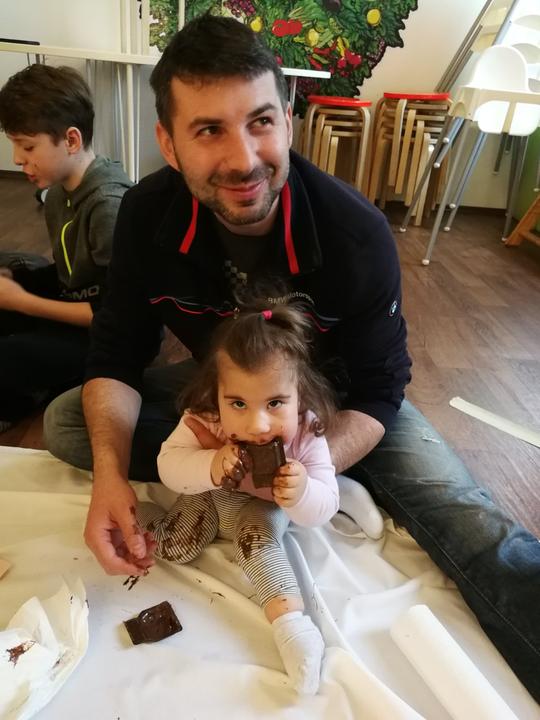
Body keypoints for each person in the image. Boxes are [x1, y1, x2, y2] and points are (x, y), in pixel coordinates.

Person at [43, 14, 540, 701]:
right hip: (226, 394)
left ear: (289, 120)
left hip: (340, 405)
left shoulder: (355, 233)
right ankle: (242, 487)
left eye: (261, 122)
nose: (244, 158)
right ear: (168, 144)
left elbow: (381, 388)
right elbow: (117, 352)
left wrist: (307, 464)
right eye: (209, 130)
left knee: (468, 521)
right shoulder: (145, 216)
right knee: (73, 423)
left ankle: (319, 493)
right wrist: (112, 477)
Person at [138, 300, 338, 693]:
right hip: (209, 500)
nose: (257, 424)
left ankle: (293, 628)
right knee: (176, 546)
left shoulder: (306, 431)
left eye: (275, 403)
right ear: (217, 394)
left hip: (260, 509)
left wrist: (302, 492)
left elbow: (325, 506)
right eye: (238, 404)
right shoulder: (206, 419)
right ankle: (138, 514)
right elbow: (168, 465)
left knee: (257, 541)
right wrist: (210, 465)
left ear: (300, 395)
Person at [0, 63, 132, 432]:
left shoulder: (108, 206)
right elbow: (69, 277)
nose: (17, 159)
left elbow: (115, 316)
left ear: (71, 140)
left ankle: (26, 396)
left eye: (28, 146)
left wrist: (22, 301)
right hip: (77, 303)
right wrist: (18, 281)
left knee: (7, 354)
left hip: (111, 338)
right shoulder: (57, 193)